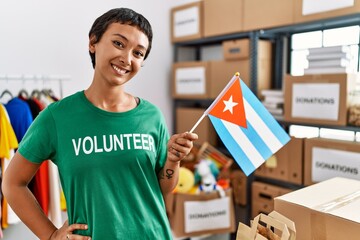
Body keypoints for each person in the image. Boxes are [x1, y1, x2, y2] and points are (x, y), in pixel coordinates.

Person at [2, 8, 198, 240]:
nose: (127, 58)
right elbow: (13, 184)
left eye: (138, 53)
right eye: (119, 43)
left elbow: (162, 188)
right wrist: (52, 235)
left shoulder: (151, 116)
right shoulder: (57, 117)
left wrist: (173, 160)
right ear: (93, 42)